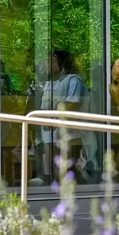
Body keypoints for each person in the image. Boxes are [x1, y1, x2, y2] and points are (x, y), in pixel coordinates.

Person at [34, 49, 88, 182]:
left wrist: (53, 111)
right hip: (49, 136)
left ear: (62, 63)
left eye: (51, 61)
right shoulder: (49, 84)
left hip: (70, 135)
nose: (48, 65)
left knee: (69, 171)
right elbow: (42, 109)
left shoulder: (74, 81)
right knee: (55, 172)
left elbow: (72, 105)